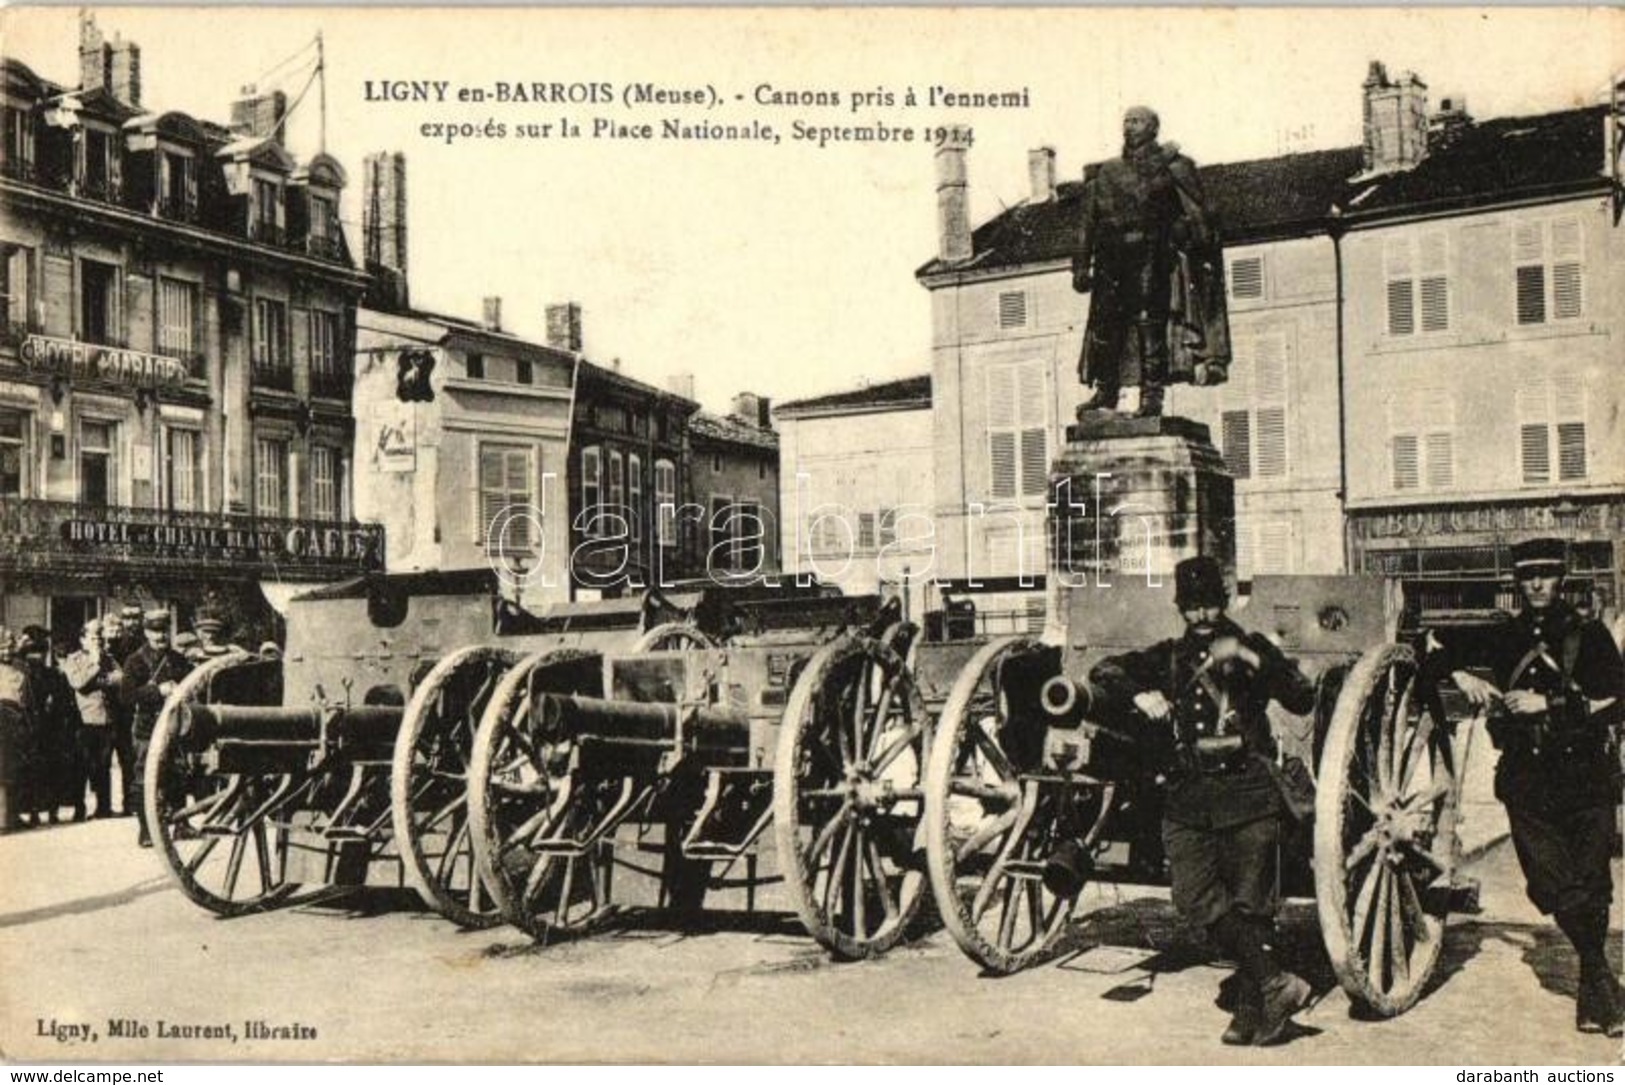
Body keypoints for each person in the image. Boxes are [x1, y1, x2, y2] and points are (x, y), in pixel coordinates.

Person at [1069, 556, 1316, 1045]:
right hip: (1188, 794)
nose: (1202, 617)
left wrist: (1253, 661)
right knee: (1192, 896)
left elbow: (1302, 698)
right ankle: (1275, 982)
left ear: (1223, 603)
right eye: (1192, 608)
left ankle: (1254, 1009)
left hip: (1248, 790)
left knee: (1251, 908)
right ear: (1181, 608)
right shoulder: (1169, 657)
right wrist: (1140, 692)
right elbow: (1106, 670)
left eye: (1209, 606)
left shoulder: (1252, 646)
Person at [1426, 538, 1625, 1036]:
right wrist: (1458, 673)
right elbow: (1425, 645)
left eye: (1547, 575)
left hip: (1586, 781)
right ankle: (1604, 982)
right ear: (1517, 581)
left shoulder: (1590, 635)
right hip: (1528, 785)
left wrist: (1551, 706)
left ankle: (1592, 993)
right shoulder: (1503, 635)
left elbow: (1618, 700)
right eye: (1528, 576)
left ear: (1561, 579)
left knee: (1593, 886)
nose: (1537, 585)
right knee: (1557, 887)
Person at [1072, 106, 1230, 418]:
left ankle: (1152, 396)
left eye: (1138, 121)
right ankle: (1106, 392)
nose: (1130, 126)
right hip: (1110, 257)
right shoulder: (1106, 172)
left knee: (1150, 324)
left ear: (1153, 128)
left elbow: (1198, 214)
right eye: (1127, 121)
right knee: (1105, 326)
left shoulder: (1174, 166)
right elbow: (1087, 223)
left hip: (1152, 252)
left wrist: (1186, 230)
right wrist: (1080, 264)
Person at [119, 610, 192, 848]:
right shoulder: (135, 661)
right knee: (145, 779)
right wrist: (157, 691)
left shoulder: (178, 660)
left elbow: (192, 685)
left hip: (174, 726)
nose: (160, 636)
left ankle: (182, 824)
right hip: (147, 728)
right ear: (146, 632)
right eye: (155, 631)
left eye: (163, 631)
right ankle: (146, 830)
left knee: (178, 773)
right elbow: (126, 697)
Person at [17, 625, 82, 823]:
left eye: (40, 653)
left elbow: (62, 701)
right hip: (30, 726)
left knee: (51, 769)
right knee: (32, 772)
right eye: (32, 654)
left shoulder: (53, 675)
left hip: (50, 728)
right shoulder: (24, 675)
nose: (36, 657)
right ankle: (35, 811)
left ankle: (50, 810)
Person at [62, 619, 123, 819]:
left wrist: (100, 678)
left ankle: (103, 808)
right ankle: (79, 809)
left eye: (100, 637)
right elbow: (78, 682)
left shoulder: (109, 658)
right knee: (83, 765)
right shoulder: (74, 660)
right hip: (85, 720)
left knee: (104, 765)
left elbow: (120, 679)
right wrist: (95, 666)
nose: (98, 641)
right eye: (93, 637)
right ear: (82, 640)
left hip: (107, 719)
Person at [0, 628, 35, 833]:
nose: (6, 652)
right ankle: (2, 820)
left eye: (10, 647)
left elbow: (27, 697)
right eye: (2, 649)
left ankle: (12, 815)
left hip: (17, 722)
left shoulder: (21, 667)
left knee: (15, 770)